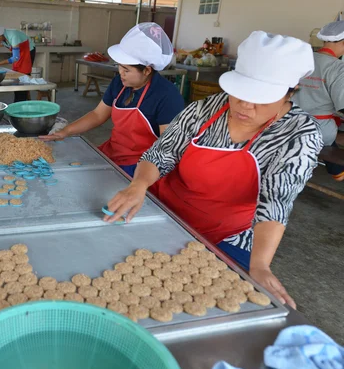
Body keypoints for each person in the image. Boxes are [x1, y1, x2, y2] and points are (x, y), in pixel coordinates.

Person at [103, 31, 323, 308]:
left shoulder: (298, 134)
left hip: (230, 233)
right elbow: (162, 153)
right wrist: (138, 186)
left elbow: (277, 199)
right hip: (167, 211)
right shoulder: (205, 110)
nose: (245, 105)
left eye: (261, 98)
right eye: (240, 93)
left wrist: (261, 266)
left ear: (289, 92)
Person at [41, 23, 184, 177]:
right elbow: (98, 115)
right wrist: (65, 132)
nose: (120, 73)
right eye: (120, 67)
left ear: (147, 70)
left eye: (126, 70)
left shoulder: (167, 96)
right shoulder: (119, 83)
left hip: (142, 165)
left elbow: (167, 148)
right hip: (112, 152)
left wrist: (140, 183)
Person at [293, 21, 344, 181]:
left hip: (290, 122)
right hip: (319, 130)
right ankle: (337, 171)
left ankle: (336, 170)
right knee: (329, 139)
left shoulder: (301, 59)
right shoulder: (337, 68)